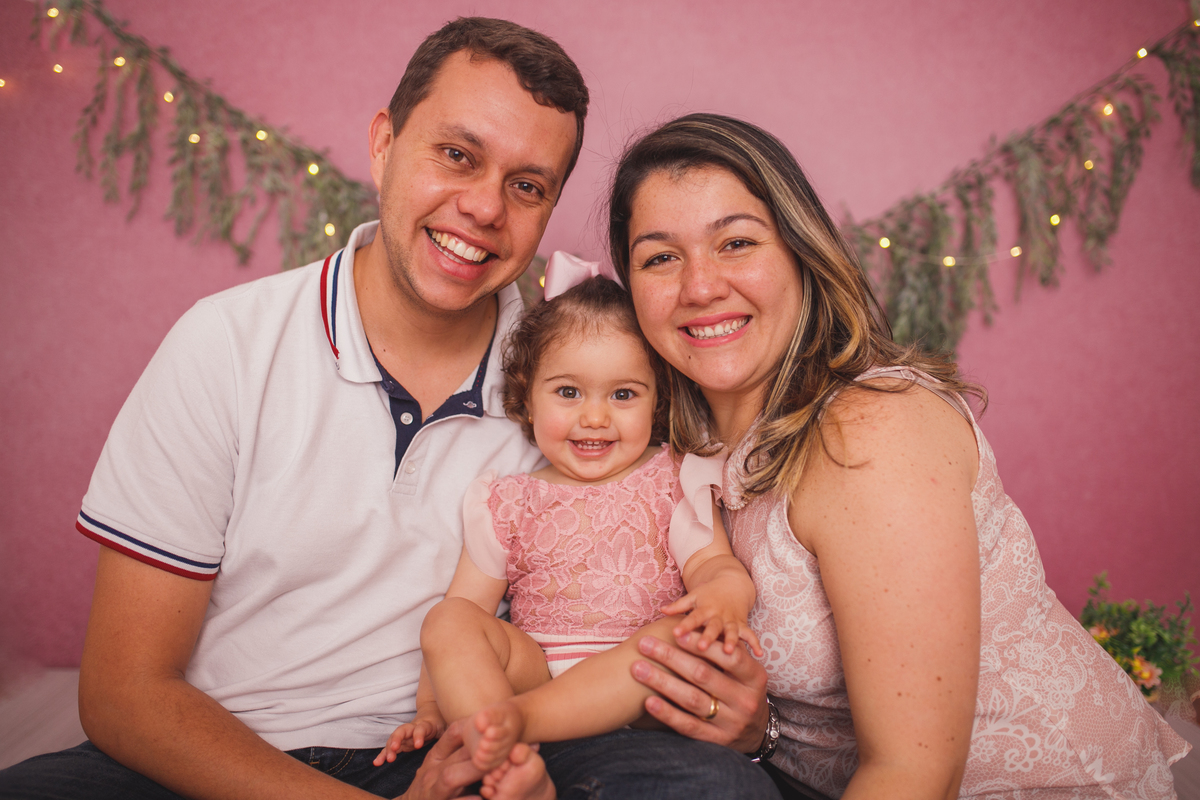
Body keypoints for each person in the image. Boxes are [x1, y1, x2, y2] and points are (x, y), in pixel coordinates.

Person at [0, 23, 776, 800]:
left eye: (527, 186)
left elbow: (687, 561)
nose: (482, 207)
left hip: (472, 741)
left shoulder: (574, 376)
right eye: (457, 155)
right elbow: (123, 692)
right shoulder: (227, 343)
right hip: (229, 753)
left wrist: (744, 722)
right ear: (383, 144)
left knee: (711, 788)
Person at [612, 113, 1192, 799]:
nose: (700, 286)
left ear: (802, 253)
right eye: (660, 257)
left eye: (736, 242)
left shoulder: (868, 428)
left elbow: (914, 773)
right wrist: (759, 730)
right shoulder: (675, 454)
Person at [373, 261, 762, 784]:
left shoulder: (669, 478)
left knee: (675, 634)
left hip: (636, 686)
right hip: (534, 673)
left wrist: (724, 597)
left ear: (657, 397)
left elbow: (716, 564)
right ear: (527, 397)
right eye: (568, 392)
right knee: (448, 620)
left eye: (623, 394)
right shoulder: (507, 499)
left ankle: (510, 733)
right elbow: (465, 611)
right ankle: (505, 757)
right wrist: (429, 707)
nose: (595, 418)